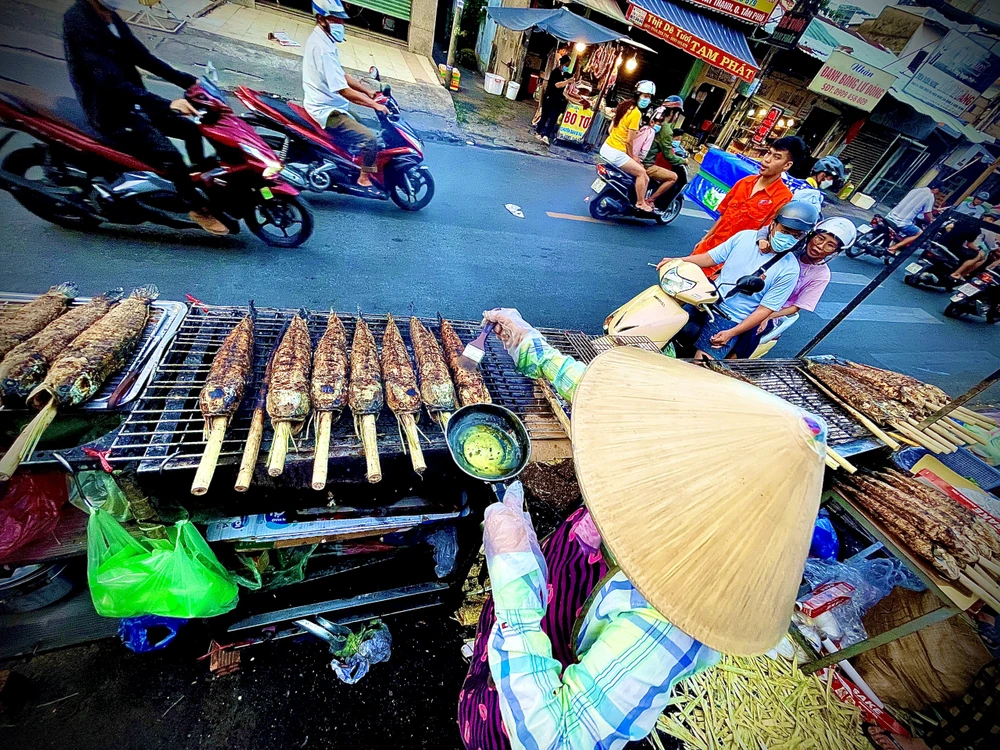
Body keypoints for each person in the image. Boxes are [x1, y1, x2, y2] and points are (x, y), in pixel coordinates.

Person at [458, 307, 826, 750]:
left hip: (517, 722)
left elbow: (553, 738)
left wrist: (515, 584)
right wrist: (531, 347)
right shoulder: (685, 460)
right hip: (557, 594)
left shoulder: (671, 619)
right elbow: (615, 411)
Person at [63, 0, 228, 234]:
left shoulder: (110, 15)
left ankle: (193, 183)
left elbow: (142, 57)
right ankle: (196, 207)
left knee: (191, 130)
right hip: (110, 110)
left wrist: (189, 81)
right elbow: (109, 81)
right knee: (170, 156)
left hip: (132, 100)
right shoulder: (78, 20)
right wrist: (168, 104)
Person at [663, 200, 819, 360]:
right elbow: (710, 258)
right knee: (659, 327)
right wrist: (677, 261)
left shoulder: (790, 270)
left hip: (730, 320)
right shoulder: (745, 238)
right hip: (704, 301)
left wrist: (731, 333)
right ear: (773, 224)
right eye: (785, 231)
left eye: (796, 236)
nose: (789, 238)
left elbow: (764, 310)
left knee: (701, 366)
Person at [731, 217, 857, 358]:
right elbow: (770, 228)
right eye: (820, 238)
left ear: (835, 252)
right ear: (811, 235)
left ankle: (729, 362)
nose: (820, 246)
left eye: (830, 245)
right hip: (750, 296)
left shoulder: (821, 275)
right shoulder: (789, 246)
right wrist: (762, 240)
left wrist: (767, 316)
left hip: (772, 311)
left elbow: (796, 307)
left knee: (752, 330)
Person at [303, 0, 390, 188]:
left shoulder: (324, 40)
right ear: (321, 19)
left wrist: (366, 90)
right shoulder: (323, 48)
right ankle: (364, 178)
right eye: (335, 19)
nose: (340, 24)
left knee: (363, 126)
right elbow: (343, 90)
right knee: (370, 139)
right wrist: (374, 104)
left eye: (341, 20)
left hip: (330, 104)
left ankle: (349, 162)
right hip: (328, 111)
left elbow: (341, 75)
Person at [691, 136, 805, 277]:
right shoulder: (744, 182)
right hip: (707, 250)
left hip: (730, 263)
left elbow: (766, 235)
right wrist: (705, 238)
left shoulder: (783, 198)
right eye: (768, 153)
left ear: (787, 165)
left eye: (776, 157)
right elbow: (723, 215)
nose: (767, 160)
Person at [600, 81, 656, 212]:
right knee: (642, 173)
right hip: (617, 153)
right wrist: (633, 157)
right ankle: (640, 202)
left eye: (649, 97)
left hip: (606, 147)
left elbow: (610, 130)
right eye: (645, 96)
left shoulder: (624, 106)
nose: (647, 99)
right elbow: (629, 141)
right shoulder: (636, 113)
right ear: (638, 94)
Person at [641, 96, 687, 207]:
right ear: (672, 112)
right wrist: (683, 161)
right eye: (677, 114)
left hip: (636, 157)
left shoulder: (653, 120)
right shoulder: (666, 129)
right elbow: (669, 156)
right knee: (673, 177)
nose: (676, 117)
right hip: (646, 163)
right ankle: (650, 200)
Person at [884, 182, 942, 255]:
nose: (937, 193)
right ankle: (893, 248)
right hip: (902, 222)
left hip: (890, 216)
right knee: (920, 233)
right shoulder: (930, 196)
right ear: (936, 189)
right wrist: (930, 221)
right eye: (938, 191)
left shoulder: (915, 190)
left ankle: (896, 239)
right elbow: (927, 213)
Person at [534, 55, 571, 145]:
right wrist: (567, 82)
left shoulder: (564, 74)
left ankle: (546, 135)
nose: (567, 67)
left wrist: (579, 66)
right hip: (550, 98)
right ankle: (538, 132)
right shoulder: (555, 72)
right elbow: (557, 85)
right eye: (567, 65)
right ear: (563, 64)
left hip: (558, 100)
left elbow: (575, 77)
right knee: (545, 116)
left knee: (553, 118)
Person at [533, 44, 570, 127]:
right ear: (562, 50)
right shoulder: (557, 56)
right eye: (564, 51)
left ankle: (538, 121)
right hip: (549, 82)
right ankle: (537, 122)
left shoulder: (553, 55)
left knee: (544, 106)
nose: (564, 53)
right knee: (544, 105)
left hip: (548, 80)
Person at [941, 216, 988, 281]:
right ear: (984, 218)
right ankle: (956, 274)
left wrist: (952, 236)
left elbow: (948, 227)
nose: (990, 222)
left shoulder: (964, 220)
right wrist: (979, 250)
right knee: (978, 255)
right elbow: (969, 244)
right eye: (990, 219)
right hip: (954, 247)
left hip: (943, 241)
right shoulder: (976, 229)